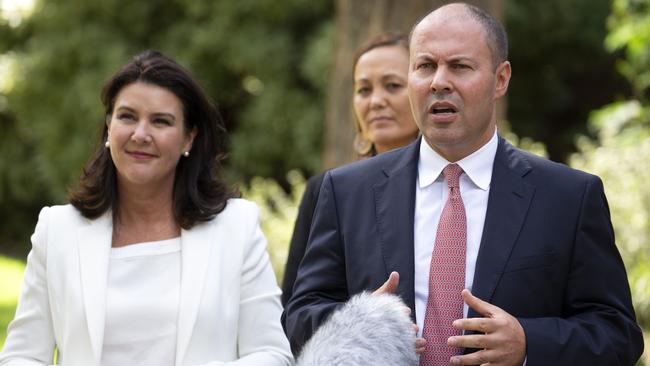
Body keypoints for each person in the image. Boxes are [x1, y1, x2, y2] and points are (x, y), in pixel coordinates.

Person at [283, 3, 644, 365]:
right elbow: (299, 314)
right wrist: (360, 326)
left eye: (459, 66)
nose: (439, 81)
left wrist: (529, 343)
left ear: (500, 79)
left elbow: (617, 333)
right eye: (425, 66)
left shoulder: (568, 197)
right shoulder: (346, 192)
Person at [0, 51, 293, 366]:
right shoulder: (57, 230)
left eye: (161, 121)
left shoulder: (237, 226)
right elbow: (23, 356)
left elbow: (272, 353)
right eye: (127, 116)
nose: (141, 134)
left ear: (188, 139)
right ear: (109, 127)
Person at [281, 32, 419, 305]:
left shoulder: (453, 185)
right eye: (364, 90)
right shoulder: (325, 191)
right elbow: (296, 306)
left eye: (392, 85)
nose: (375, 101)